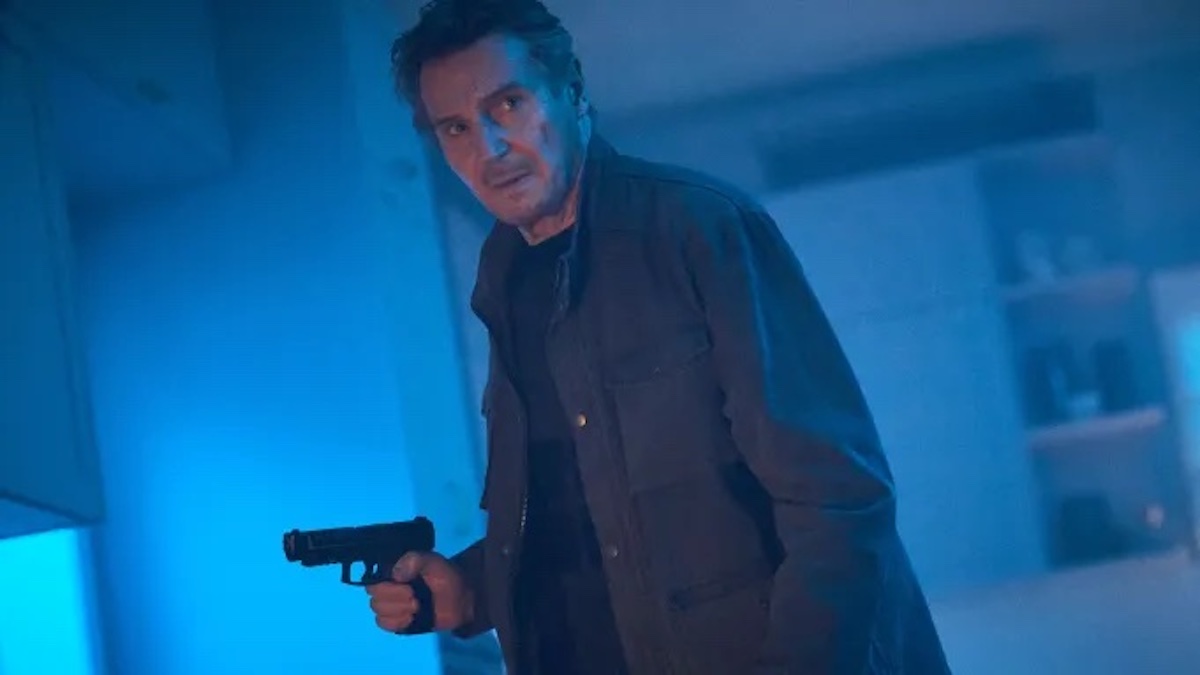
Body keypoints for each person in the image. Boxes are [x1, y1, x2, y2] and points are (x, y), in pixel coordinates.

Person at [366, 1, 952, 673]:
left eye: (508, 105)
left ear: (571, 90)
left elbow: (837, 499)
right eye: (457, 128)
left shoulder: (695, 227)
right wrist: (471, 588)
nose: (489, 149)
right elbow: (579, 513)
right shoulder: (504, 277)